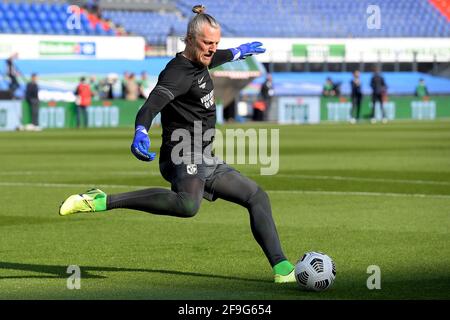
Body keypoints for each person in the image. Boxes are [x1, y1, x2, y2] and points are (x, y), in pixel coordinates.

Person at [59, 5, 296, 284]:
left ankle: (283, 269)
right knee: (187, 205)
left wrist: (236, 52)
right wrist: (140, 129)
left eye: (216, 43)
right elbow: (151, 104)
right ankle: (102, 200)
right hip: (181, 153)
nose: (212, 49)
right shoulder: (176, 73)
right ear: (190, 39)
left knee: (257, 197)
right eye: (208, 43)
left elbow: (214, 59)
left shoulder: (202, 61)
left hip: (205, 155)